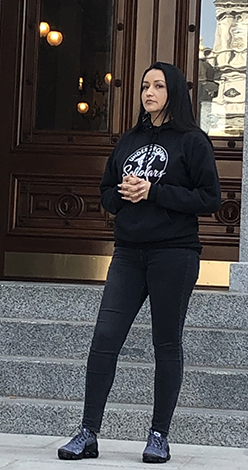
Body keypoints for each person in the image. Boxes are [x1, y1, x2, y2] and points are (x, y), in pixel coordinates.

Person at [57, 62, 221, 464]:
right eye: (145, 85)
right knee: (105, 339)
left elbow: (210, 199)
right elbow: (106, 192)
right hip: (129, 254)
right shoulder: (128, 140)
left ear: (174, 92)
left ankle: (159, 435)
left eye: (158, 86)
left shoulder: (193, 142)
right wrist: (123, 194)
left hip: (175, 254)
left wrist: (155, 192)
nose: (149, 92)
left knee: (165, 344)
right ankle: (87, 432)